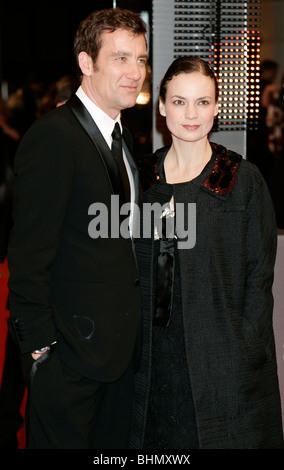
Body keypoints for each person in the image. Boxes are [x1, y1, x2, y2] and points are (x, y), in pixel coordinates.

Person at [7, 8, 148, 449]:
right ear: (87, 63)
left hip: (118, 355)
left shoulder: (125, 141)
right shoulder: (53, 137)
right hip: (68, 358)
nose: (135, 72)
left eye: (141, 59)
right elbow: (29, 255)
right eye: (121, 59)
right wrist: (41, 351)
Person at [131, 56, 284, 449]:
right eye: (179, 102)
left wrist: (243, 351)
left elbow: (259, 277)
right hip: (154, 361)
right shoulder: (140, 179)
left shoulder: (240, 179)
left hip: (222, 361)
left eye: (202, 102)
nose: (191, 114)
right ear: (162, 107)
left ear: (217, 108)